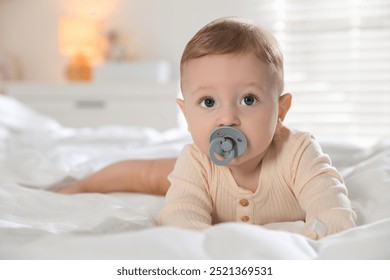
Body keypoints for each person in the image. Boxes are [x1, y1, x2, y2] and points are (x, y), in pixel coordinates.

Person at [59, 17, 356, 240]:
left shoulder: (300, 153)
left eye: (248, 99)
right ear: (186, 114)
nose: (227, 119)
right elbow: (181, 215)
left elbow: (331, 205)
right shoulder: (196, 161)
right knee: (146, 175)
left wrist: (316, 238)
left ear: (281, 110)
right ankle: (81, 184)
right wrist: (206, 246)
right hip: (203, 177)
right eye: (208, 101)